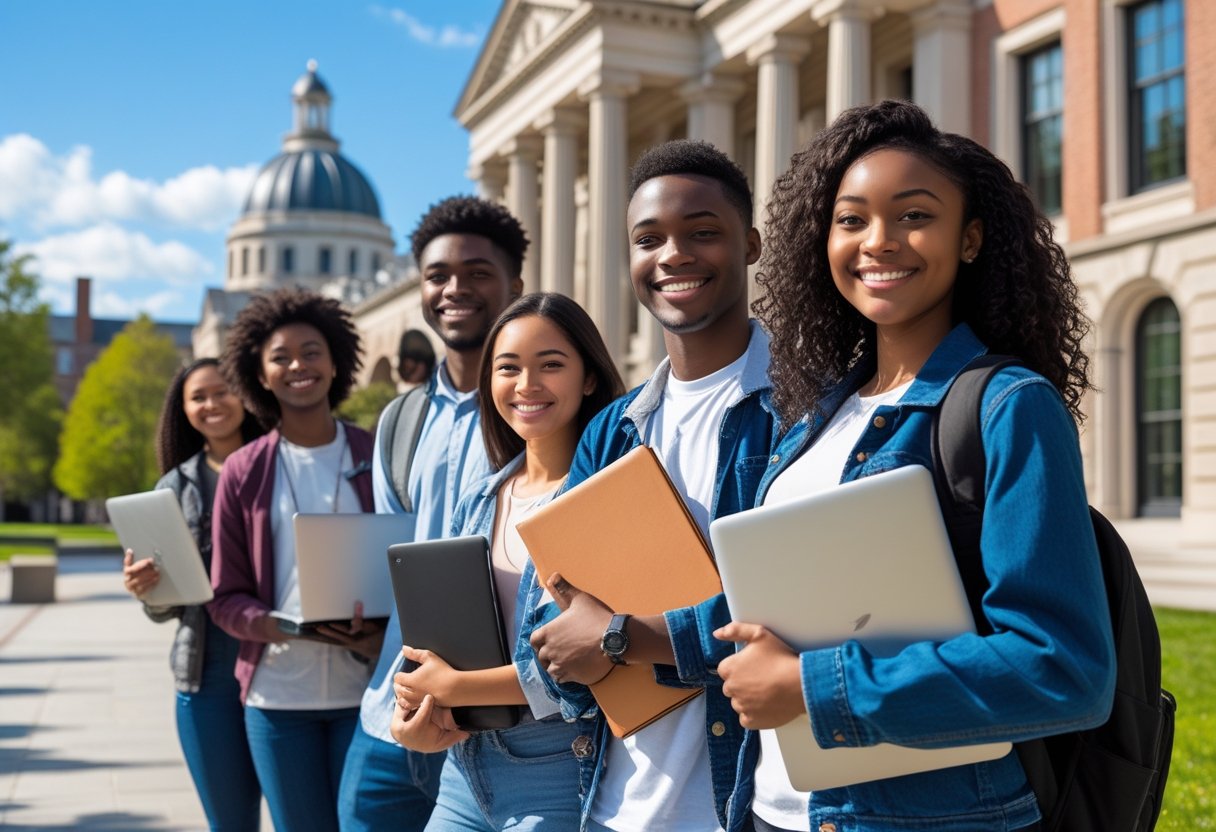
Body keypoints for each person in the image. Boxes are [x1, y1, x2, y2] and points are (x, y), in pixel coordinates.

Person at [715, 99, 1116, 832]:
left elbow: (1064, 669)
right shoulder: (814, 416)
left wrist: (814, 688)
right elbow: (776, 598)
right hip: (779, 809)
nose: (879, 241)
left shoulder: (1007, 407)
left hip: (933, 817)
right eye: (852, 219)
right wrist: (625, 632)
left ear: (969, 240)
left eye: (914, 215)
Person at [525, 140, 778, 832]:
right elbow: (546, 625)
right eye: (648, 239)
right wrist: (575, 643)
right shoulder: (612, 430)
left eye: (702, 232)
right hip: (615, 804)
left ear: (751, 244)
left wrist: (619, 637)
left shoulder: (801, 410)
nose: (673, 255)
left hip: (740, 808)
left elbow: (799, 611)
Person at [389, 292, 625, 830]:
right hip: (465, 771)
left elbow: (598, 658)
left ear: (589, 378)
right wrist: (414, 713)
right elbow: (439, 646)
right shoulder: (479, 498)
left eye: (551, 365)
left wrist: (459, 689)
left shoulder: (605, 497)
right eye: (508, 368)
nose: (526, 385)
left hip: (560, 771)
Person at [338, 196, 526, 831]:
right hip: (393, 713)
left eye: (478, 273)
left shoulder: (545, 410)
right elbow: (395, 556)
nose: (455, 289)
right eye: (438, 275)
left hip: (510, 724)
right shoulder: (400, 419)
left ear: (514, 286)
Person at [209, 288, 384, 832]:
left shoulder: (377, 455)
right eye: (280, 357)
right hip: (278, 698)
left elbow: (407, 562)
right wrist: (276, 624)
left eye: (311, 352)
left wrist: (377, 635)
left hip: (370, 694)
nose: (297, 366)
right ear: (260, 375)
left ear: (335, 362)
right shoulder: (243, 470)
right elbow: (224, 596)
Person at [121, 357, 264, 830]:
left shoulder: (277, 463)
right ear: (183, 410)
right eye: (197, 397)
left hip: (281, 664)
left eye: (221, 391)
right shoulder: (174, 487)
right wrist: (149, 590)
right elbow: (167, 608)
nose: (211, 404)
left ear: (244, 392)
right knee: (229, 821)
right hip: (206, 674)